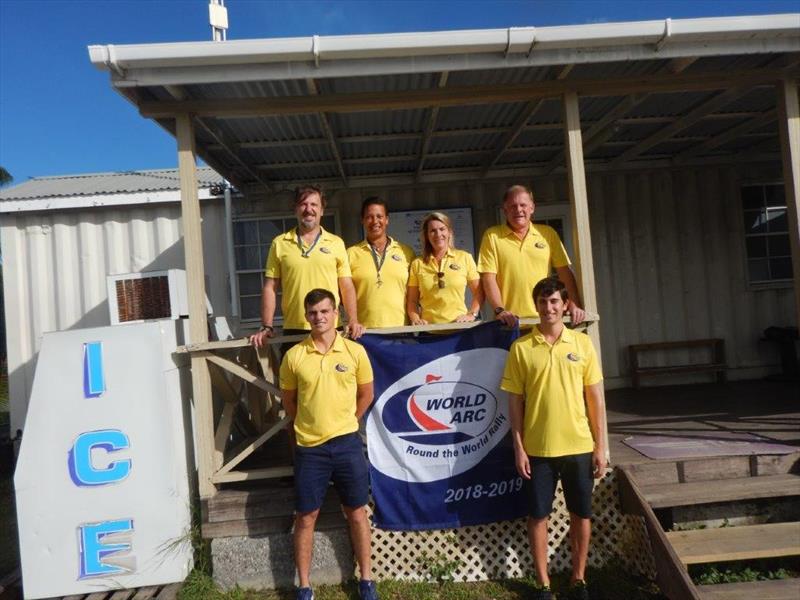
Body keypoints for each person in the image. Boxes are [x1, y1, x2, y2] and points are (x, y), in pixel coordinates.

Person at [500, 277, 607, 600]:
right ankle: (544, 583)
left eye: (555, 302)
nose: (549, 308)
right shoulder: (521, 348)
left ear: (565, 305)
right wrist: (519, 448)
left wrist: (601, 446)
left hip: (579, 446)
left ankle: (578, 578)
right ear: (536, 305)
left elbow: (596, 400)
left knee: (582, 514)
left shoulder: (582, 344)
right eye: (543, 302)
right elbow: (515, 404)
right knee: (538, 516)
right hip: (538, 449)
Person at [279, 288, 378, 600]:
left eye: (324, 311)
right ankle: (305, 585)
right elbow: (290, 402)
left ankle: (366, 579)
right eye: (313, 313)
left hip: (348, 444)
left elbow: (367, 393)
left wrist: (348, 420)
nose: (319, 317)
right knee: (306, 516)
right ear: (306, 316)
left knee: (358, 512)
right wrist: (309, 426)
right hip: (311, 450)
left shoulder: (354, 352)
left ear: (336, 313)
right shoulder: (294, 356)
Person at [250, 185, 365, 349]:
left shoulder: (336, 243)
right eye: (303, 204)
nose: (308, 209)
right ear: (295, 209)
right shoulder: (279, 243)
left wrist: (353, 319)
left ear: (322, 210)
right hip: (294, 330)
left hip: (331, 328)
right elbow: (270, 288)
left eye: (314, 205)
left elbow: (346, 286)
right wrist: (267, 325)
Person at [478, 184, 586, 327]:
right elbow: (488, 278)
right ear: (505, 210)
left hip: (546, 319)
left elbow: (564, 272)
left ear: (532, 208)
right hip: (510, 323)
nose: (518, 210)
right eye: (513, 206)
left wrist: (573, 303)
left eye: (523, 205)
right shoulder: (492, 236)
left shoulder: (548, 234)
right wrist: (500, 310)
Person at [347, 197, 415, 328]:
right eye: (369, 217)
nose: (375, 221)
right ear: (362, 220)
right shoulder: (351, 254)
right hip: (365, 333)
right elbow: (343, 294)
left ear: (387, 219)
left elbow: (415, 293)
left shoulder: (406, 252)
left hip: (401, 330)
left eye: (379, 216)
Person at [406, 211, 483, 325]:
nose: (438, 234)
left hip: (459, 329)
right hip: (428, 332)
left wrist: (472, 314)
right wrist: (415, 319)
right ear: (426, 236)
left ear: (449, 232)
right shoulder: (417, 264)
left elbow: (479, 292)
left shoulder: (465, 258)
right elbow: (412, 300)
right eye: (432, 231)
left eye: (442, 229)